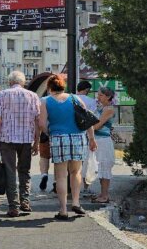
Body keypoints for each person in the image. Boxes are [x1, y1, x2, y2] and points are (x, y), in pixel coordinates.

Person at [39, 76, 97, 220]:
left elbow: (41, 124)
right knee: (75, 172)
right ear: (63, 86)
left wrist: (50, 132)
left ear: (49, 88)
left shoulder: (45, 101)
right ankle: (76, 202)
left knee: (60, 176)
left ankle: (63, 209)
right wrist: (92, 139)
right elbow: (87, 119)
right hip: (77, 138)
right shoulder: (75, 99)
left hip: (58, 138)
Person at [0, 71, 41, 217]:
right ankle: (25, 201)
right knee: (24, 171)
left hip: (7, 139)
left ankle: (13, 206)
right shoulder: (32, 96)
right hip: (26, 140)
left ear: (10, 82)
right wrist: (36, 141)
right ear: (23, 82)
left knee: (10, 171)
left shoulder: (3, 95)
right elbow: (38, 121)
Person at [91, 86, 117, 204]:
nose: (98, 97)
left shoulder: (108, 109)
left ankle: (105, 195)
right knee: (100, 168)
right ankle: (102, 193)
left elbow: (98, 125)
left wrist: (87, 129)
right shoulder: (101, 107)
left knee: (105, 167)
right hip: (98, 140)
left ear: (108, 96)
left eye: (101, 95)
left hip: (103, 141)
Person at [76, 81, 98, 194]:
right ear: (87, 90)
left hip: (73, 133)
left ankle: (74, 187)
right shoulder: (91, 101)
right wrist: (92, 139)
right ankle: (85, 187)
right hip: (86, 133)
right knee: (87, 161)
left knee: (75, 162)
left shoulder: (71, 99)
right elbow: (91, 119)